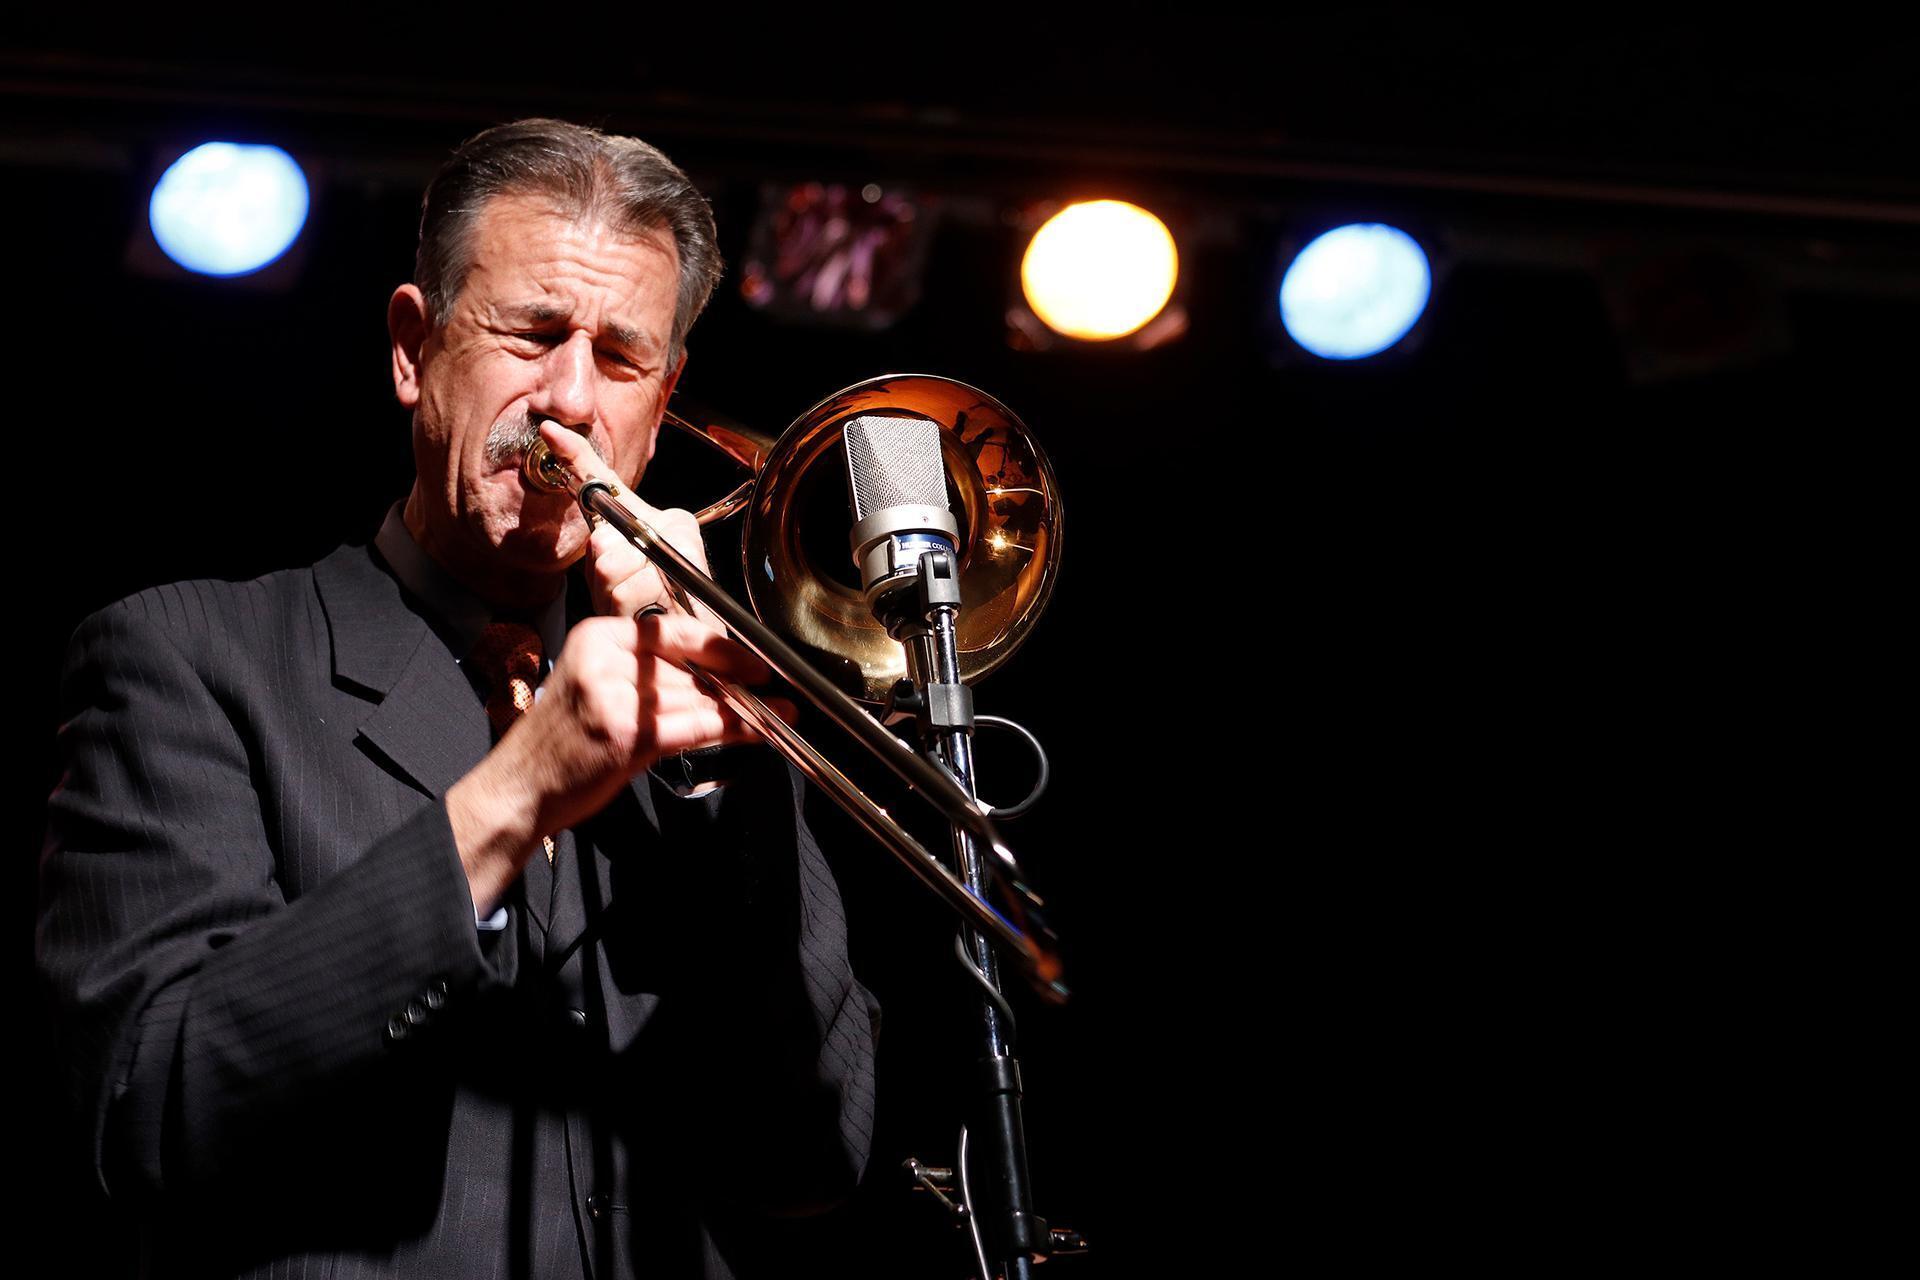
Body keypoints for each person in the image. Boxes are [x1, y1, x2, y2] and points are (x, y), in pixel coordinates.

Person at [37, 118, 878, 1280]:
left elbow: (814, 1154)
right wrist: (515, 792)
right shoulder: (188, 659)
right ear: (412, 349)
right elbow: (150, 1102)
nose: (569, 399)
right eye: (532, 334)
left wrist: (728, 770)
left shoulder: (691, 727)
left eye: (621, 358)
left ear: (664, 396)